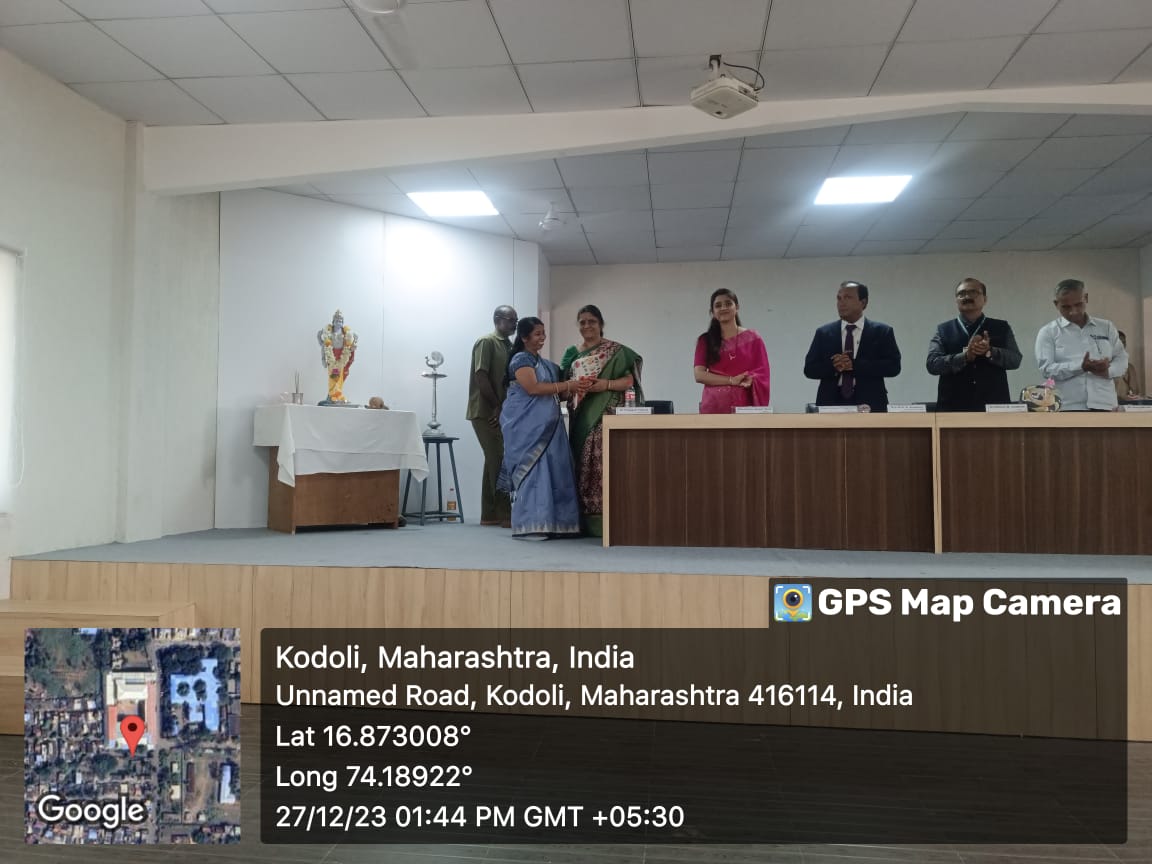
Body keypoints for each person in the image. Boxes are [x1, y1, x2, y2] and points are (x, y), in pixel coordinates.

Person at [498, 318, 591, 540]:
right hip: (527, 427)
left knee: (555, 469)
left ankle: (558, 525)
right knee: (534, 471)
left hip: (549, 426)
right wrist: (568, 385)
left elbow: (556, 392)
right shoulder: (520, 360)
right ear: (524, 337)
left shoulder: (547, 365)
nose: (542, 338)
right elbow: (533, 388)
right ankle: (532, 525)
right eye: (537, 334)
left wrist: (578, 387)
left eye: (543, 333)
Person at [559, 305, 643, 536]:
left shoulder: (616, 351)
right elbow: (563, 387)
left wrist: (605, 385)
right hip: (582, 416)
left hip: (607, 414)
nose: (587, 326)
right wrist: (575, 387)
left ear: (601, 324)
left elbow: (629, 381)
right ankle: (586, 522)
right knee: (583, 466)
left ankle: (611, 519)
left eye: (592, 321)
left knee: (605, 464)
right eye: (582, 322)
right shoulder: (571, 353)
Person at [926, 277, 1022, 411]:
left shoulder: (1002, 327)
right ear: (956, 300)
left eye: (973, 292)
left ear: (985, 299)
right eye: (961, 294)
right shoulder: (943, 330)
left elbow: (1015, 360)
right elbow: (932, 364)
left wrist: (989, 351)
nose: (967, 297)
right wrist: (964, 357)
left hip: (994, 406)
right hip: (953, 407)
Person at [803, 281, 901, 412]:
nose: (841, 303)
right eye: (839, 298)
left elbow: (894, 367)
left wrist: (855, 365)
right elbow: (809, 369)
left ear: (863, 302)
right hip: (830, 402)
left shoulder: (882, 332)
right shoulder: (824, 333)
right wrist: (834, 366)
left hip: (871, 402)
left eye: (848, 297)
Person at [1035, 279, 1128, 411]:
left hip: (1106, 404)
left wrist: (1107, 371)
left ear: (1086, 298)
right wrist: (1080, 367)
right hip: (1067, 406)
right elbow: (1046, 369)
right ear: (1056, 304)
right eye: (1066, 307)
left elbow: (1122, 359)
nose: (1073, 311)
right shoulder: (1048, 332)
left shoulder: (1106, 327)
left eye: (1078, 304)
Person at [467, 306, 517, 527]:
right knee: (498, 460)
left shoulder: (510, 346)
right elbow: (481, 376)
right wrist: (497, 406)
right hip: (485, 411)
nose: (515, 324)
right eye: (511, 320)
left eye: (516, 320)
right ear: (498, 320)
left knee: (492, 460)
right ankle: (505, 513)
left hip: (501, 411)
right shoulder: (486, 342)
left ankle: (489, 514)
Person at [692, 289, 771, 413]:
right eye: (718, 305)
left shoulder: (753, 338)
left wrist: (751, 378)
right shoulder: (705, 340)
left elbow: (763, 372)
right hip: (714, 405)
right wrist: (731, 380)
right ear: (712, 312)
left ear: (737, 307)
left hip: (744, 406)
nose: (723, 308)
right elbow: (699, 375)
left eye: (728, 304)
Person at [317, 309, 357, 403]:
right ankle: (333, 396)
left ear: (343, 323)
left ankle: (337, 395)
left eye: (340, 321)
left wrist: (354, 344)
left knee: (340, 377)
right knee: (333, 376)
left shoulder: (346, 333)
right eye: (336, 320)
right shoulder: (329, 333)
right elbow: (324, 345)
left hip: (341, 357)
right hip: (332, 357)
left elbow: (350, 346)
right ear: (333, 321)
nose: (338, 322)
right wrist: (323, 359)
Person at [1115, 331, 1144, 400]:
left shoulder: (1129, 367)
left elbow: (1135, 392)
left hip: (1125, 404)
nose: (1122, 345)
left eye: (1124, 342)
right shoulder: (1100, 366)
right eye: (1118, 342)